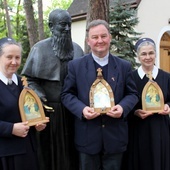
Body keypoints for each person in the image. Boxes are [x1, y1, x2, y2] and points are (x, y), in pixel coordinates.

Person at [61, 19, 139, 170]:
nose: (100, 41)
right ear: (88, 41)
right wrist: (82, 110)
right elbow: (66, 94)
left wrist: (122, 108)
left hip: (115, 138)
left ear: (109, 38)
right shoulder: (75, 66)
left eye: (103, 36)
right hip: (87, 138)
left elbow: (133, 94)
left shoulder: (124, 66)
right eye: (95, 37)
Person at [21, 8, 84, 170]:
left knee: (73, 151)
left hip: (73, 110)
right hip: (49, 111)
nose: (67, 29)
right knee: (49, 153)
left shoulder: (77, 50)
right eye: (63, 25)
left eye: (69, 25)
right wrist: (40, 96)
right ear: (51, 26)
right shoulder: (39, 49)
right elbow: (29, 79)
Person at [0, 37, 48, 170]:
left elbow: (28, 112)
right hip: (5, 154)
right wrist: (11, 129)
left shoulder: (24, 83)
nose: (14, 62)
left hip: (28, 151)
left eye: (17, 57)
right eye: (9, 57)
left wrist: (37, 124)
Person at [124, 38, 170, 170]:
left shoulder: (166, 77)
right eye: (144, 54)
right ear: (138, 57)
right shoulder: (131, 78)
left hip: (160, 128)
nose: (148, 57)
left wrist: (168, 106)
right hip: (139, 129)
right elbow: (126, 101)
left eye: (151, 53)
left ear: (155, 54)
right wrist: (135, 112)